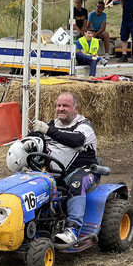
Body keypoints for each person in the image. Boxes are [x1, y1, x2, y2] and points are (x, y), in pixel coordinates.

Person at [32, 92, 98, 244]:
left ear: (76, 108)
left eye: (65, 106)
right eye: (58, 105)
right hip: (54, 172)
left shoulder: (84, 126)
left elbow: (75, 140)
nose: (61, 109)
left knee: (76, 182)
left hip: (83, 170)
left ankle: (73, 229)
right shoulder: (52, 124)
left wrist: (47, 131)